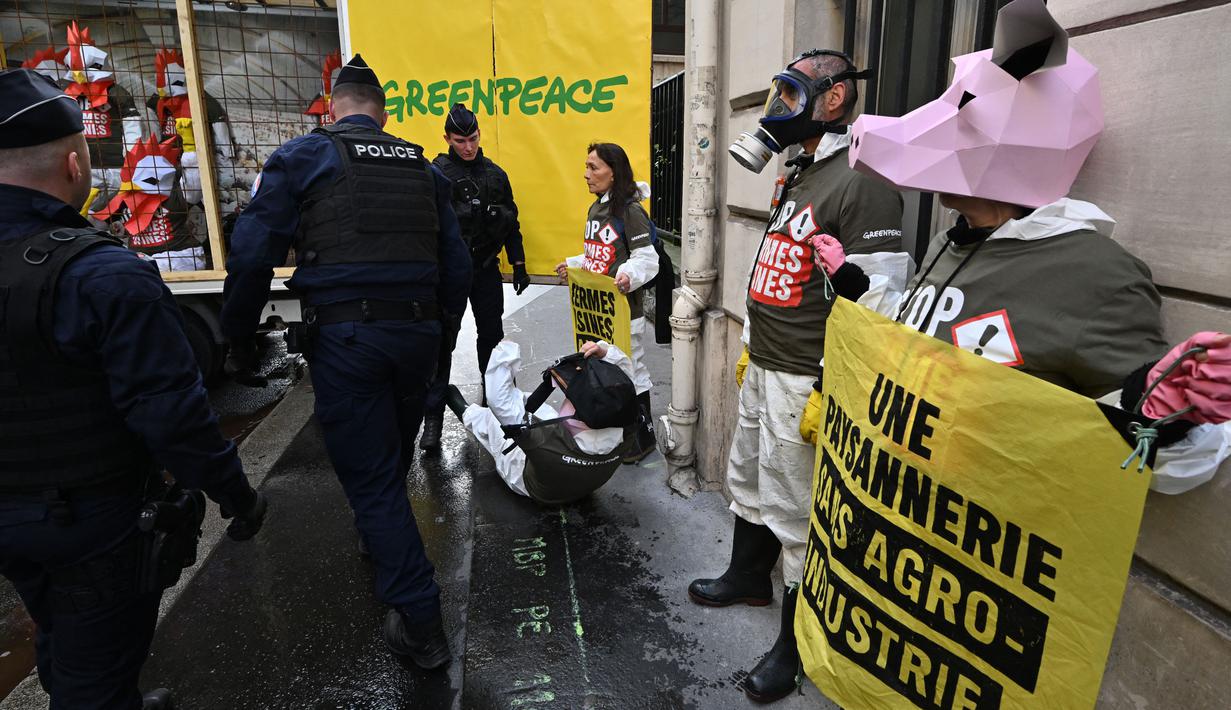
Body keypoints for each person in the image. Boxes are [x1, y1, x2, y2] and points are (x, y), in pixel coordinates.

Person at [811, 0, 1231, 489]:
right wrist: (855, 286)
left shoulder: (1091, 271)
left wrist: (1164, 414)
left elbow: (1143, 461)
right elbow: (917, 339)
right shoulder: (952, 242)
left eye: (964, 108)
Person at [0, 68, 267, 710]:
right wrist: (235, 494)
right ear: (73, 164)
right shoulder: (103, 275)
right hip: (91, 520)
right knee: (99, 665)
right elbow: (171, 415)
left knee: (61, 631)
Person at [219, 54, 471, 670]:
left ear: (334, 108)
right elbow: (457, 264)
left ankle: (420, 621)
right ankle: (378, 536)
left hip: (350, 338)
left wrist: (237, 336)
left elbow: (252, 256)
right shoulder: (420, 165)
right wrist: (439, 338)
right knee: (386, 462)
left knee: (373, 478)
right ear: (383, 112)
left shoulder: (304, 156)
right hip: (416, 335)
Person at [688, 50, 909, 703]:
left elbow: (879, 305)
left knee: (798, 514)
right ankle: (745, 576)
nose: (775, 109)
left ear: (834, 98)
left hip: (805, 378)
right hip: (766, 364)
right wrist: (752, 344)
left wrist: (833, 386)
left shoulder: (863, 182)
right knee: (748, 477)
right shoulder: (801, 170)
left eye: (790, 93)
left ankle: (795, 644)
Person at [420, 102, 530, 450]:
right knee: (441, 346)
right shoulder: (435, 174)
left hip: (485, 269)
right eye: (459, 140)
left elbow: (511, 222)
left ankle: (497, 408)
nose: (467, 146)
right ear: (447, 138)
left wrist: (520, 263)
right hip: (448, 274)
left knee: (492, 339)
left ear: (479, 134)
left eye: (472, 138)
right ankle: (433, 420)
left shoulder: (495, 175)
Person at [555, 142, 659, 462]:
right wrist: (574, 265)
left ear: (613, 172)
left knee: (631, 370)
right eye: (586, 166)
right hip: (598, 310)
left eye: (594, 167)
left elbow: (647, 258)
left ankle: (642, 440)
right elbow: (597, 254)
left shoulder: (629, 210)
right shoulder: (597, 207)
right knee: (606, 369)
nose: (586, 174)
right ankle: (620, 436)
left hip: (624, 310)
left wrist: (628, 276)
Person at [447, 340, 638, 503]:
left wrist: (506, 350)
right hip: (587, 485)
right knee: (539, 410)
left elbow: (498, 402)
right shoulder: (628, 422)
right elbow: (626, 383)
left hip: (534, 487)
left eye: (570, 398)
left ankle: (466, 412)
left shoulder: (543, 440)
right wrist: (605, 353)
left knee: (493, 420)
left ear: (578, 413)